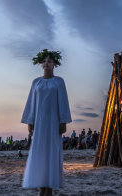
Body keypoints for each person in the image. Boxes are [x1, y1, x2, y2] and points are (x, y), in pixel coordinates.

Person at [21, 49, 71, 196]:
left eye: (50, 61)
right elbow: (32, 102)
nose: (47, 63)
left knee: (52, 152)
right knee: (40, 153)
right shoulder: (36, 82)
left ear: (55, 64)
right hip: (40, 123)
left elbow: (63, 101)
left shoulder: (59, 81)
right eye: (45, 61)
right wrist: (30, 121)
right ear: (41, 64)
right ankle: (41, 187)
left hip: (53, 123)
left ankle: (49, 187)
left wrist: (63, 121)